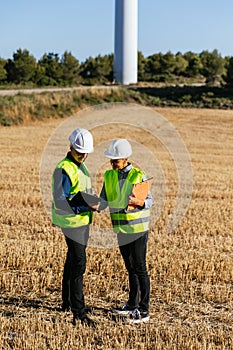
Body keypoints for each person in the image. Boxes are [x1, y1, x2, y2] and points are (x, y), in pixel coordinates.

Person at [99, 139, 154, 324]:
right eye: (111, 160)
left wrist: (140, 203)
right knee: (130, 268)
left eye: (116, 160)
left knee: (140, 268)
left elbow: (150, 201)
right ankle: (132, 304)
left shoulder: (138, 175)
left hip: (137, 230)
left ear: (126, 158)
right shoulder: (109, 176)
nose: (113, 163)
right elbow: (103, 200)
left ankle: (144, 311)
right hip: (121, 229)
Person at [52, 128, 98, 327]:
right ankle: (79, 313)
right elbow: (61, 202)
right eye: (80, 152)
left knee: (72, 261)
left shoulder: (79, 165)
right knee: (79, 264)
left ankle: (67, 302)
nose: (83, 155)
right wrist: (86, 205)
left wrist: (93, 201)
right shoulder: (64, 168)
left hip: (82, 220)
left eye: (85, 152)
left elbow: (79, 192)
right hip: (71, 222)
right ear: (70, 147)